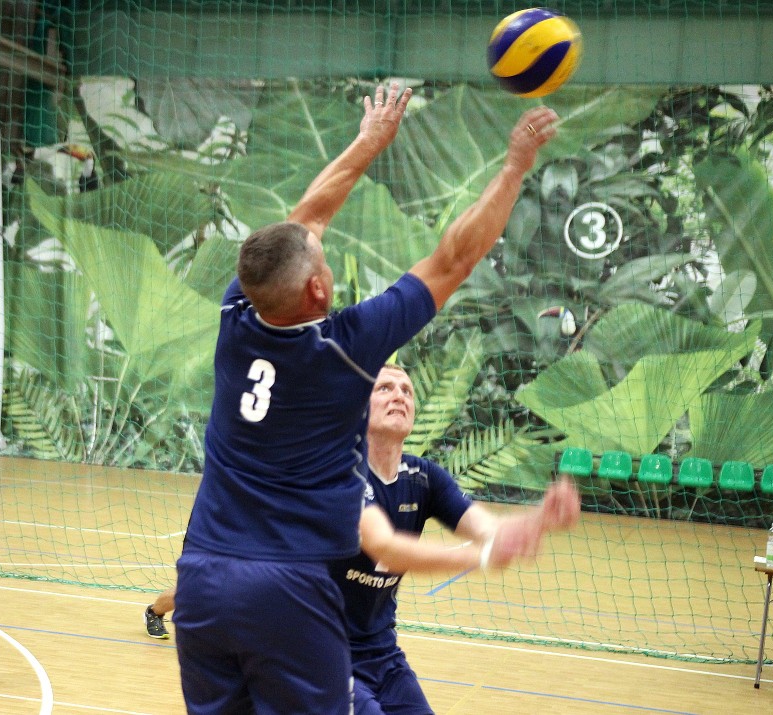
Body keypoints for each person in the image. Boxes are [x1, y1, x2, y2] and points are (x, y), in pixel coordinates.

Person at [173, 80, 561, 715]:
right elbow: (455, 259)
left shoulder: (239, 310)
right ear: (318, 291)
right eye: (322, 262)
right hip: (288, 589)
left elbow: (306, 220)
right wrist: (515, 167)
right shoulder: (347, 347)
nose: (321, 247)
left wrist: (368, 141)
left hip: (202, 582)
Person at [335, 363, 578, 714]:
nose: (399, 396)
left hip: (381, 654)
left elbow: (489, 529)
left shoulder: (424, 477)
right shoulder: (343, 473)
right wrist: (482, 557)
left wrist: (540, 519)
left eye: (407, 391)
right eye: (385, 388)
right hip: (324, 651)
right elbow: (384, 546)